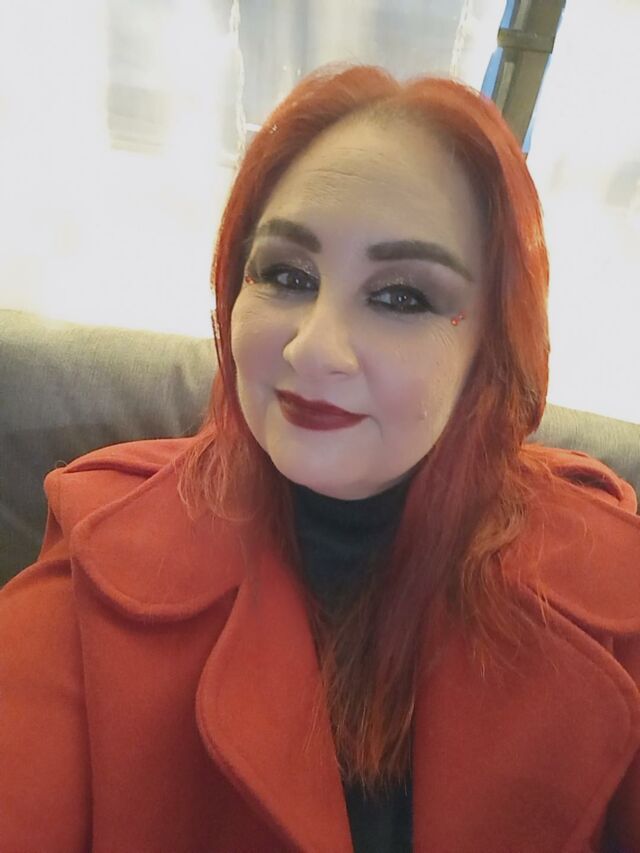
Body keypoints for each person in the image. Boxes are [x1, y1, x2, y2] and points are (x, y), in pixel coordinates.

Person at [1, 64, 639, 853]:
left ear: (492, 347)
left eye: (401, 296)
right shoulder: (97, 561)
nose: (314, 349)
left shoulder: (614, 592)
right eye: (287, 275)